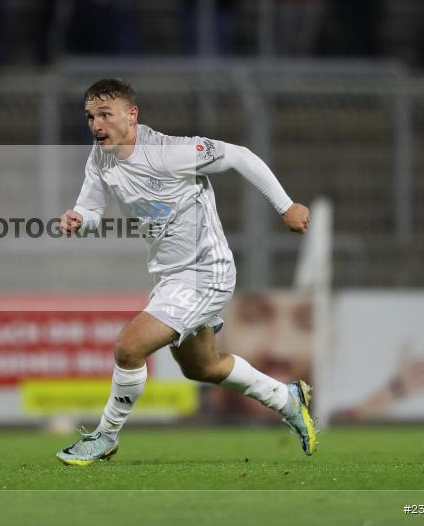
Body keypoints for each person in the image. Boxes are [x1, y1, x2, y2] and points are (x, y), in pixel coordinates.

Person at [56, 78, 316, 465]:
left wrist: (286, 206)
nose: (96, 125)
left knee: (129, 346)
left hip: (204, 273)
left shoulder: (170, 152)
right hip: (168, 277)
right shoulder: (101, 157)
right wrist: (80, 220)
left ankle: (105, 436)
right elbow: (92, 211)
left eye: (105, 115)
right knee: (203, 366)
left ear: (132, 114)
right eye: (91, 116)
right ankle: (286, 398)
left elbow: (239, 155)